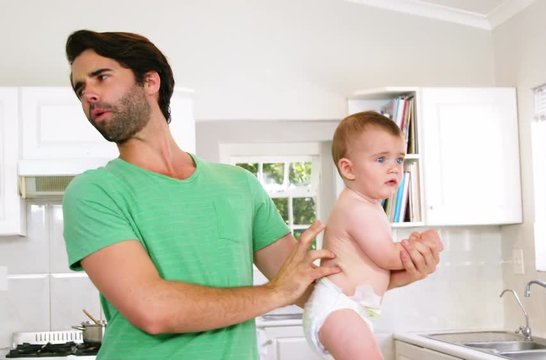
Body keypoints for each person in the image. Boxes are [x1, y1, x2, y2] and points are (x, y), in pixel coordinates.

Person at [62, 29, 443, 360]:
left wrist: (397, 276)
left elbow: (309, 287)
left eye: (101, 77)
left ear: (149, 81)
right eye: (81, 88)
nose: (88, 95)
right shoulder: (93, 192)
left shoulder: (239, 185)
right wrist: (276, 292)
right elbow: (153, 309)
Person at [303, 111, 443, 359]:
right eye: (381, 159)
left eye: (399, 160)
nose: (394, 168)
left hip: (352, 308)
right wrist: (422, 245)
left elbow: (380, 273)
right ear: (348, 168)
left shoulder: (370, 206)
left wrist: (413, 263)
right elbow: (388, 258)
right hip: (338, 307)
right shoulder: (357, 208)